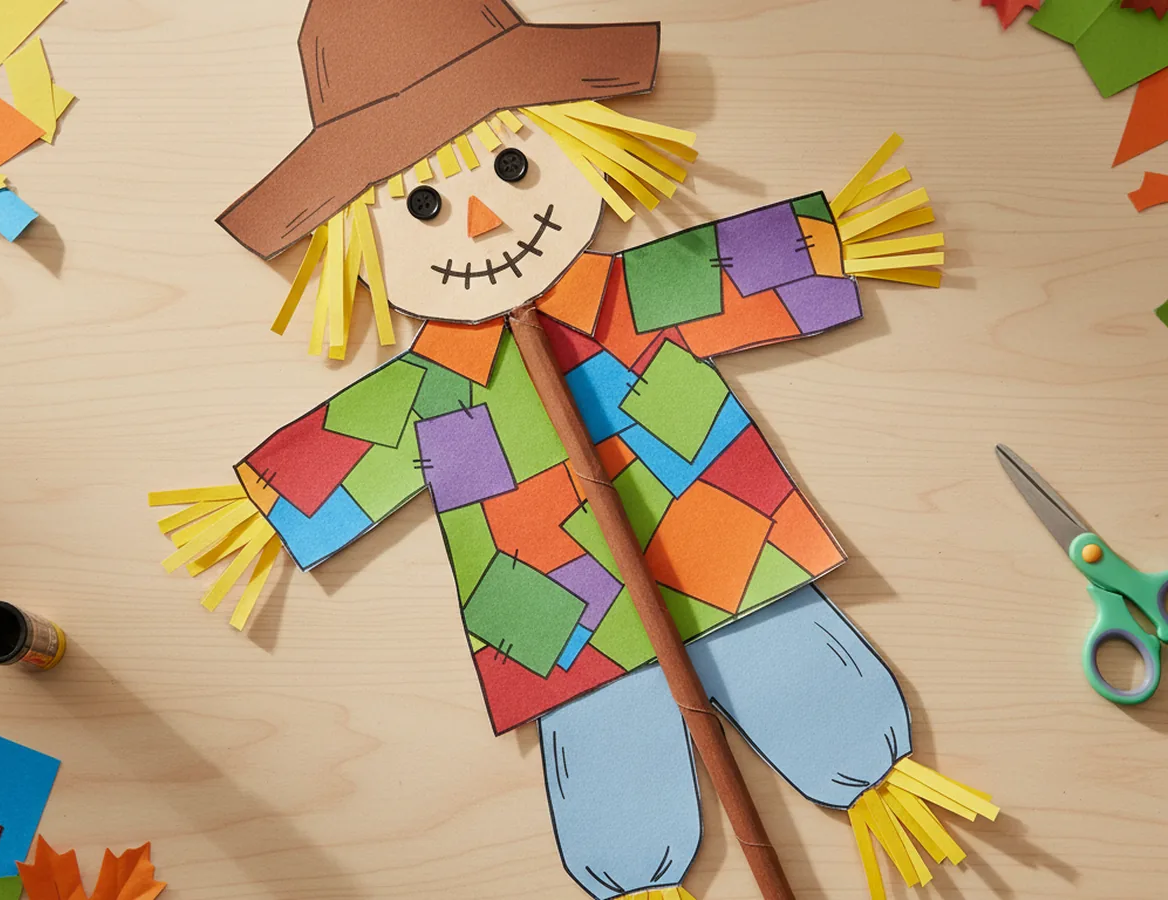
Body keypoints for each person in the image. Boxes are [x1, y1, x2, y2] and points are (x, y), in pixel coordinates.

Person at [152, 2, 993, 898]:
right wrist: (260, 514)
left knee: (821, 709)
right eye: (427, 205)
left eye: (512, 165)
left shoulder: (629, 298)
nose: (480, 224)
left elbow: (726, 273)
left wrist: (832, 249)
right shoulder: (433, 385)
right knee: (619, 789)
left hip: (725, 551)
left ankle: (868, 772)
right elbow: (356, 444)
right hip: (555, 625)